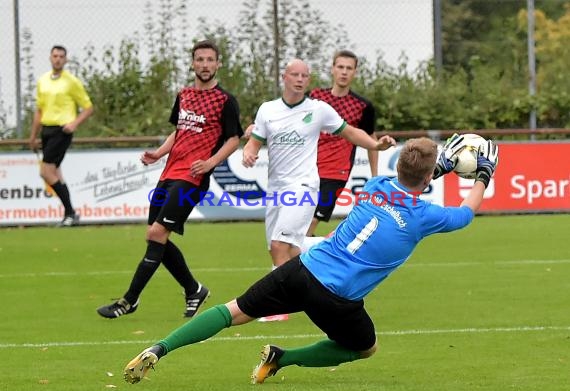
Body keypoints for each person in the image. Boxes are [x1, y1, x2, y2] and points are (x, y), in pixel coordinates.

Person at [122, 134, 499, 385]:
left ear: (397, 167)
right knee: (364, 348)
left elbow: (412, 181)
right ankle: (282, 359)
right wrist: (483, 173)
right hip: (337, 299)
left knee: (233, 310)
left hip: (301, 269)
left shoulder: (375, 186)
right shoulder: (423, 216)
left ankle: (160, 348)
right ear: (428, 176)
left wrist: (436, 168)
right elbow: (465, 213)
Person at [96, 40, 243, 319]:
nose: (205, 65)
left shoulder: (225, 100)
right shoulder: (184, 94)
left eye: (210, 60)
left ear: (218, 64)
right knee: (156, 238)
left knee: (156, 234)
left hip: (192, 179)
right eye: (199, 59)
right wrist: (159, 153)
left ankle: (128, 301)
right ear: (192, 63)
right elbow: (180, 130)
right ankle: (193, 289)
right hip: (169, 174)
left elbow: (234, 138)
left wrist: (210, 163)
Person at [242, 58, 395, 271]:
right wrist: (248, 153)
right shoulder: (267, 110)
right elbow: (253, 143)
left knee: (280, 247)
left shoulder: (318, 109)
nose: (299, 79)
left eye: (304, 76)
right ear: (283, 77)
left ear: (308, 81)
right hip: (277, 189)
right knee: (287, 249)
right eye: (295, 74)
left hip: (304, 186)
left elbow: (350, 132)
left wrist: (376, 145)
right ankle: (334, 244)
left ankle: (279, 301)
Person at [307, 49, 378, 237]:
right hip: (307, 168)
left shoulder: (362, 106)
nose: (344, 72)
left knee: (312, 220)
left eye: (349, 68)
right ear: (332, 69)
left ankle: (295, 263)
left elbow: (371, 140)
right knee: (299, 220)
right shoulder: (314, 97)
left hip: (336, 173)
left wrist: (375, 175)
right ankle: (304, 258)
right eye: (340, 67)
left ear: (355, 72)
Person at [28, 45, 94, 227]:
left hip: (62, 131)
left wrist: (74, 123)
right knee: (56, 173)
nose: (57, 59)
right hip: (47, 130)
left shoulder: (71, 81)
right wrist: (33, 136)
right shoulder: (42, 81)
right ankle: (70, 215)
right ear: (50, 58)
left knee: (45, 171)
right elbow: (39, 110)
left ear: (65, 60)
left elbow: (88, 107)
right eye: (55, 56)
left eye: (61, 56)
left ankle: (70, 212)